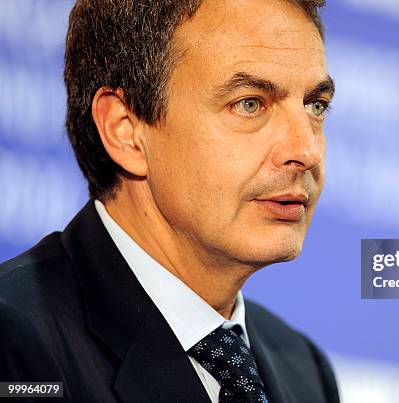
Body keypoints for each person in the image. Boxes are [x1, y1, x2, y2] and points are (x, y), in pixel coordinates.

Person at [0, 0, 339, 401]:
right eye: (249, 104)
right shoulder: (13, 341)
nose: (307, 150)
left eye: (315, 106)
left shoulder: (303, 370)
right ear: (126, 131)